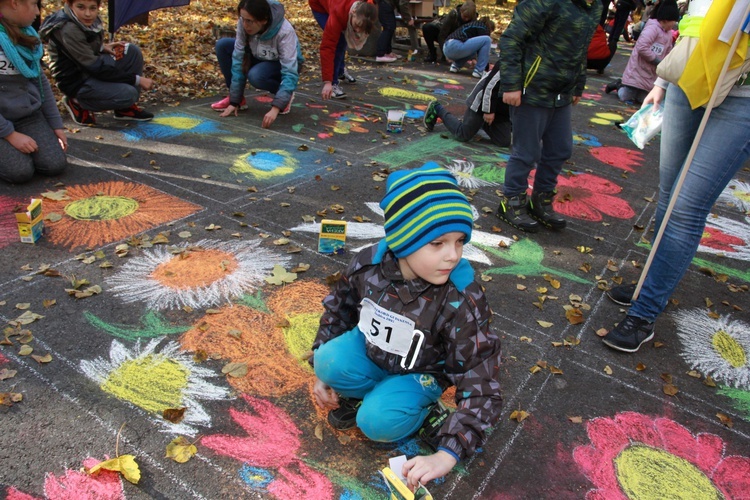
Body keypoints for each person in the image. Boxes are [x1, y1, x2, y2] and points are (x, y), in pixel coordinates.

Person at [311, 163, 502, 489]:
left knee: (375, 422)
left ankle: (423, 410)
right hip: (373, 353)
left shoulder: (460, 296)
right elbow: (338, 308)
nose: (453, 255)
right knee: (327, 361)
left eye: (459, 242)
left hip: (421, 372)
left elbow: (480, 375)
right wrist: (320, 366)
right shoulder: (368, 264)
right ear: (403, 239)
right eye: (437, 243)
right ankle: (376, 391)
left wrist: (449, 452)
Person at [602, 0, 750, 352]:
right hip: (687, 80)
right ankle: (650, 284)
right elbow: (693, 26)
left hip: (742, 95)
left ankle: (646, 311)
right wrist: (664, 83)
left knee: (685, 207)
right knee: (668, 198)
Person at [497, 0, 600, 233]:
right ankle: (511, 201)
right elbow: (512, 38)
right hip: (531, 89)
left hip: (561, 91)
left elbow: (580, 49)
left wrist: (577, 86)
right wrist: (512, 84)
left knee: (560, 149)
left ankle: (540, 201)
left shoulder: (594, 6)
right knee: (526, 152)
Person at [39, 0, 154, 126]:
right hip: (75, 79)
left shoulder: (83, 20)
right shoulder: (67, 28)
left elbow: (84, 47)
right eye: (81, 7)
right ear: (70, 5)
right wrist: (136, 79)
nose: (88, 13)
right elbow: (95, 67)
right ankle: (77, 102)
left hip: (87, 68)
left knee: (130, 51)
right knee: (129, 94)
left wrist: (101, 47)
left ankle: (124, 109)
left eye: (93, 8)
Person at [0, 0, 67, 184]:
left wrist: (56, 125)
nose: (38, 12)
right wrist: (9, 135)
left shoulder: (26, 34)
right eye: (33, 4)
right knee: (20, 172)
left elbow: (40, 82)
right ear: (14, 3)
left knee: (54, 164)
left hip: (26, 115)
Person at [210, 0, 302, 129]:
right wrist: (234, 101)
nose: (245, 25)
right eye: (243, 19)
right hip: (257, 56)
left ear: (263, 20)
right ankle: (238, 98)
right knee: (223, 45)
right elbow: (238, 60)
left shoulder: (284, 32)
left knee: (256, 76)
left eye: (250, 21)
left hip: (278, 65)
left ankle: (284, 95)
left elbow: (290, 71)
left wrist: (277, 107)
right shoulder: (244, 24)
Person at [604, 0, 679, 104]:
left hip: (651, 73)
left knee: (644, 100)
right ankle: (619, 85)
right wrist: (656, 60)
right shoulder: (653, 28)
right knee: (626, 96)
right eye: (674, 21)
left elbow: (667, 52)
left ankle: (633, 91)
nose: (675, 24)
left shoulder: (668, 34)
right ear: (666, 19)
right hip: (638, 69)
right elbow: (642, 47)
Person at [423, 63, 511, 146]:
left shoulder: (524, 67)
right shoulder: (511, 59)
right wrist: (488, 111)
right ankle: (437, 108)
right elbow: (490, 86)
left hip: (501, 105)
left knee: (503, 140)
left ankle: (481, 122)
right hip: (483, 98)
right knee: (462, 134)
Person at [309, 0, 377, 100]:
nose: (357, 30)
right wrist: (328, 82)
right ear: (353, 12)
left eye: (361, 27)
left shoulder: (367, 6)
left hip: (338, 6)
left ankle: (340, 71)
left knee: (343, 39)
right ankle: (333, 83)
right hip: (319, 5)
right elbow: (327, 48)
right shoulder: (338, 15)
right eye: (357, 25)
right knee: (338, 42)